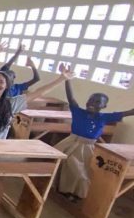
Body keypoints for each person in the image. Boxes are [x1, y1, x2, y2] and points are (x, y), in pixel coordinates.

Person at [0, 34, 73, 218]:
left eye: (1, 83)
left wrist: (61, 79)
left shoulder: (12, 103)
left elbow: (39, 92)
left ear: (7, 87)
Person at [54, 65, 134, 201]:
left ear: (104, 106)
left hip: (88, 148)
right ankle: (64, 190)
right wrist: (67, 80)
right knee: (74, 169)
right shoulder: (78, 111)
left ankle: (76, 193)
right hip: (72, 144)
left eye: (97, 102)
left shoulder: (104, 117)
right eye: (90, 100)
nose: (92, 103)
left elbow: (129, 112)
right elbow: (71, 98)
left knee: (85, 172)